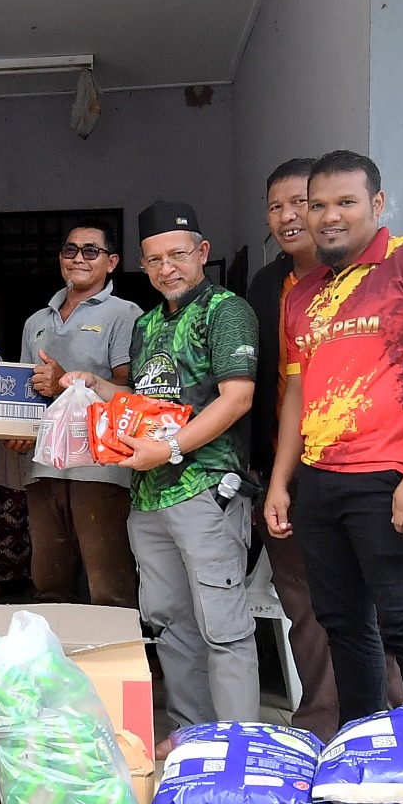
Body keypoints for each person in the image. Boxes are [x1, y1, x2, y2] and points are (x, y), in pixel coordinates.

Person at [265, 150, 403, 724]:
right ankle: (363, 746)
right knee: (343, 627)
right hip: (321, 482)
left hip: (391, 478)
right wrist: (282, 483)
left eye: (346, 202)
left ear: (377, 204)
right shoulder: (302, 294)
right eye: (318, 205)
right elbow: (295, 397)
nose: (329, 216)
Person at [62, 201, 260, 737]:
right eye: (153, 260)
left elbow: (237, 397)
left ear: (202, 253)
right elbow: (145, 399)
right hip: (149, 495)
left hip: (204, 488)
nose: (166, 268)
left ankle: (238, 744)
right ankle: (194, 735)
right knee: (170, 622)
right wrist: (96, 385)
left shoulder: (226, 311)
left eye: (177, 255)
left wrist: (171, 449)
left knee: (221, 624)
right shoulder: (148, 323)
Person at [248, 158, 403, 742]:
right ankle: (322, 725)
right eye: (278, 206)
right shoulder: (270, 286)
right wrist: (273, 477)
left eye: (302, 202)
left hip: (374, 472)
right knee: (311, 610)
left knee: (390, 611)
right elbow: (277, 386)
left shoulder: (392, 275)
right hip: (293, 476)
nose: (291, 217)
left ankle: (393, 723)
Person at [11, 221, 141, 607]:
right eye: (70, 250)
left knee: (109, 585)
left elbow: (130, 390)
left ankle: (116, 666)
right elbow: (25, 393)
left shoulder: (125, 314)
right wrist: (13, 431)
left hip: (100, 468)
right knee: (49, 584)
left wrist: (63, 381)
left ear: (112, 262)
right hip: (43, 468)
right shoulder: (36, 322)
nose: (79, 258)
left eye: (91, 251)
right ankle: (55, 666)